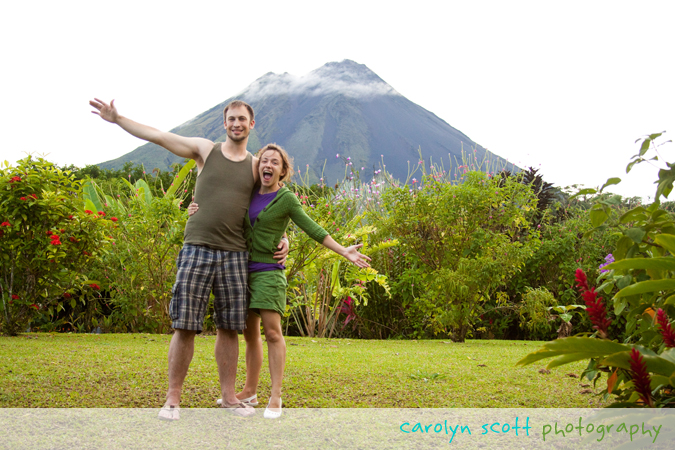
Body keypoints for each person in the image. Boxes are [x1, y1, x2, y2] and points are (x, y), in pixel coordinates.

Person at [89, 98, 289, 419]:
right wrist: (117, 118)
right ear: (224, 123)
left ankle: (228, 397)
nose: (236, 124)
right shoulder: (205, 150)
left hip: (236, 254)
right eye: (231, 119)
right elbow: (160, 136)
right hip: (198, 247)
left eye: (242, 119)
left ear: (252, 125)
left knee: (229, 327)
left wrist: (284, 237)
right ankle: (172, 398)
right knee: (185, 325)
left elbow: (272, 202)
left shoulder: (255, 165)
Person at [188, 143, 371, 419]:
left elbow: (311, 227)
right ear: (258, 166)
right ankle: (249, 390)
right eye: (264, 161)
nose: (268, 166)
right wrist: (194, 208)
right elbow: (221, 205)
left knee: (272, 333)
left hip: (269, 273)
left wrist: (343, 250)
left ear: (283, 171)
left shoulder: (286, 198)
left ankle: (276, 396)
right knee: (250, 335)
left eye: (275, 162)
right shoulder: (248, 192)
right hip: (241, 270)